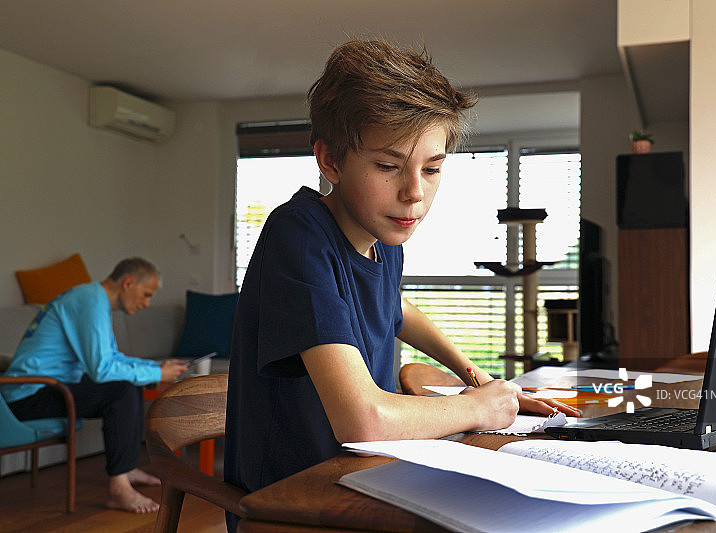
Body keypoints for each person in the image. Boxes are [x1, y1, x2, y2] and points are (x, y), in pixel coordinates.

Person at [224, 39, 580, 531]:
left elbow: (395, 306)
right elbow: (364, 421)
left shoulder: (382, 237)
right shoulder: (299, 233)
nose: (414, 192)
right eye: (388, 166)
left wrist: (475, 375)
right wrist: (478, 407)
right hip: (296, 502)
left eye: (432, 169)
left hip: (367, 477)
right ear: (329, 161)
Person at [1, 257, 188, 513]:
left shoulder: (92, 299)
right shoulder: (89, 301)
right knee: (120, 388)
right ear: (128, 282)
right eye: (146, 295)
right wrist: (155, 371)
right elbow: (101, 370)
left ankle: (127, 468)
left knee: (128, 382)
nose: (146, 303)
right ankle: (118, 489)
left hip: (48, 387)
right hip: (27, 395)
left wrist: (154, 369)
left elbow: (112, 359)